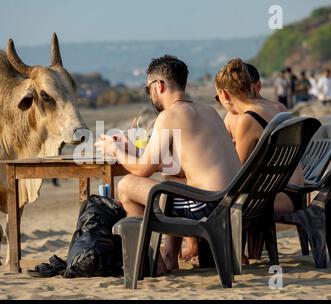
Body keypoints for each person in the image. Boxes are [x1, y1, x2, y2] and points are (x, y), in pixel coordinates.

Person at [95, 55, 241, 274]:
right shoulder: (209, 112)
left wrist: (114, 150)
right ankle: (170, 257)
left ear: (159, 86)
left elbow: (143, 169)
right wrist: (131, 149)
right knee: (171, 179)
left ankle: (153, 264)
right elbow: (178, 167)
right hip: (231, 200)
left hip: (207, 206)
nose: (149, 95)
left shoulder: (169, 115)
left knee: (125, 185)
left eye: (148, 90)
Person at [215, 58, 304, 221]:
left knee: (206, 200)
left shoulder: (247, 119)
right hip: (295, 193)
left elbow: (237, 173)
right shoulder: (274, 108)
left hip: (275, 198)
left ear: (225, 94)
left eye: (217, 97)